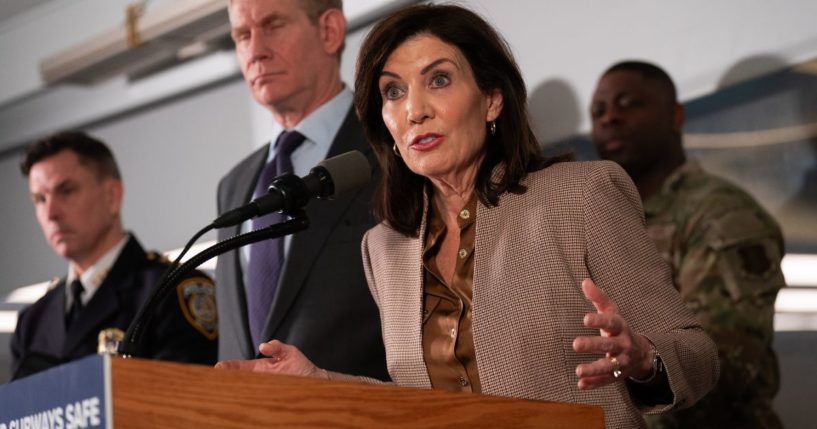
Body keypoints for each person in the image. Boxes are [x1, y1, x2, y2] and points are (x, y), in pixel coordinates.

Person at [216, 5, 719, 428]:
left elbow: (696, 357)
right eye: (393, 91)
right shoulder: (386, 247)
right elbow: (415, 400)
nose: (415, 109)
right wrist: (320, 382)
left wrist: (646, 359)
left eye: (438, 80)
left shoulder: (580, 197)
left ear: (492, 99)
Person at [590, 61, 786, 428]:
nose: (610, 118)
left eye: (629, 103)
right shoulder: (602, 217)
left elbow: (725, 361)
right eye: (598, 111)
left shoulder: (720, 214)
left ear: (675, 115)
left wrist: (647, 366)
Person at [214, 0, 388, 380]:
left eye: (272, 25)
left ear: (329, 31)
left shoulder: (390, 151)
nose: (255, 50)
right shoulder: (234, 186)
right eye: (242, 35)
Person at [11, 131, 218, 380]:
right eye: (40, 199)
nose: (51, 212)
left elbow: (188, 402)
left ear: (112, 196)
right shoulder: (32, 321)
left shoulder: (171, 289)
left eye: (66, 191)